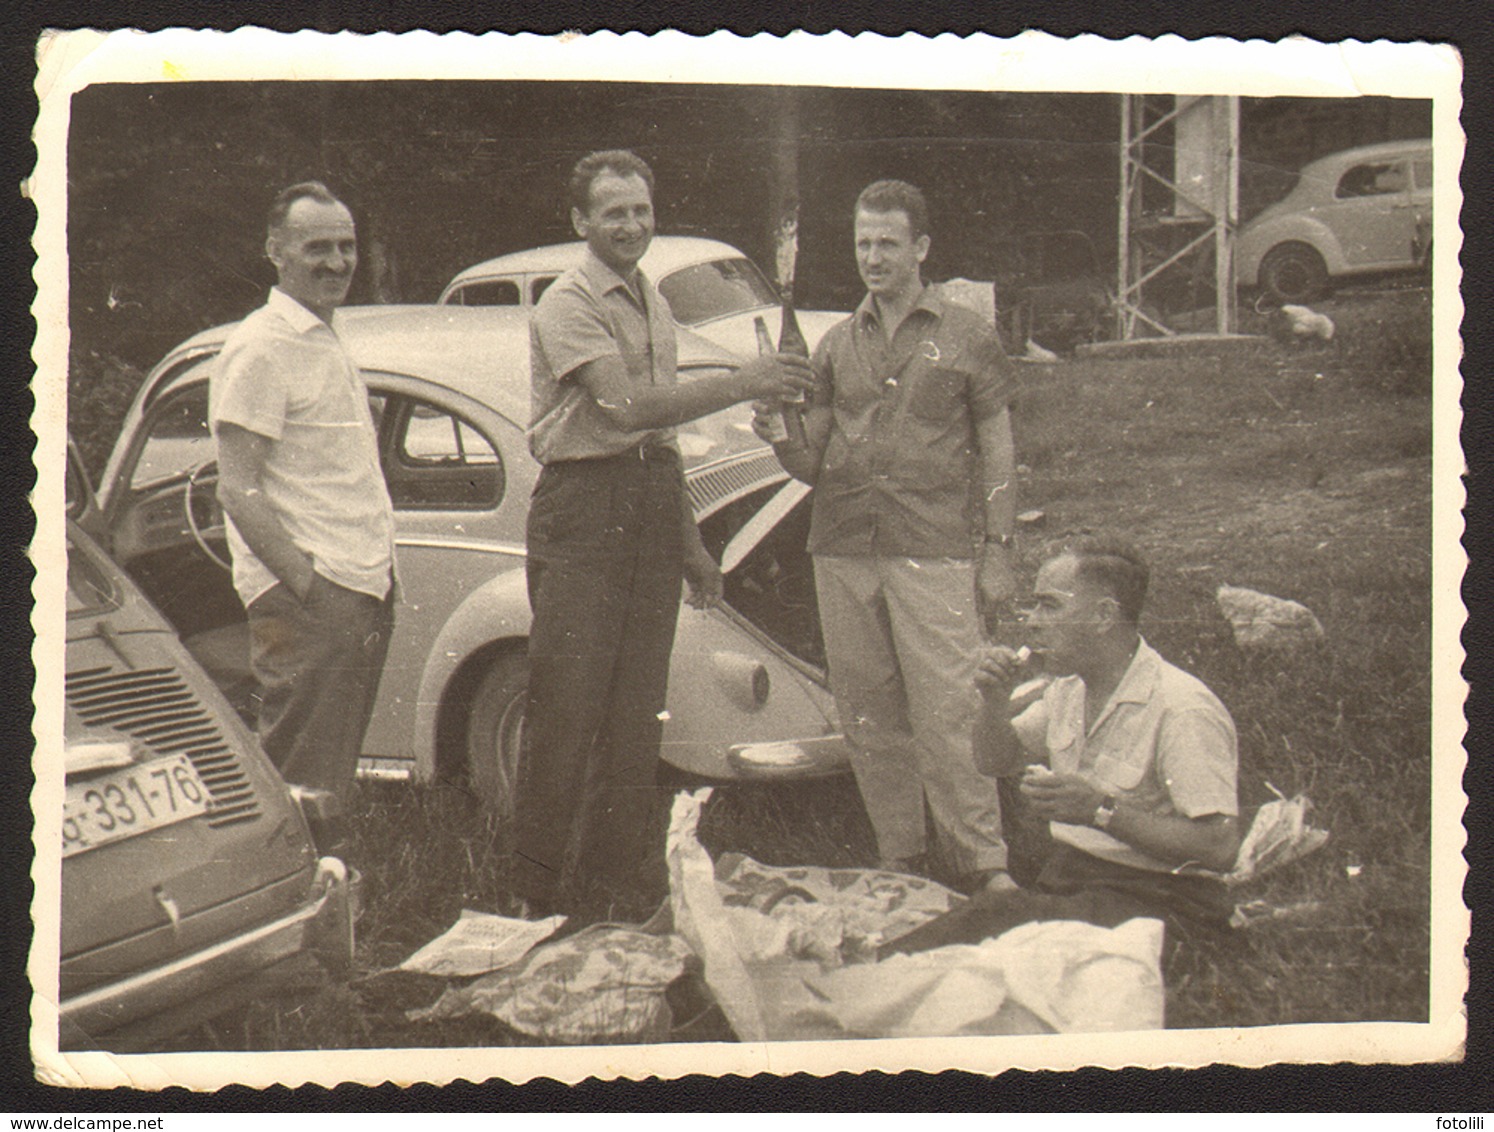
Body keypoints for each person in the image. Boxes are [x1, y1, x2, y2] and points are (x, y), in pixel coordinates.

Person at [513, 150, 814, 915]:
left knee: (636, 714)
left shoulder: (651, 298)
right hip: (582, 510)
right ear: (580, 222)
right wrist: (746, 382)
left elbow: (663, 443)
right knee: (567, 710)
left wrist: (691, 547)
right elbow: (623, 409)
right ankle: (534, 894)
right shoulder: (567, 302)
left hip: (647, 505)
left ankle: (624, 881)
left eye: (642, 210)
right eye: (614, 212)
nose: (632, 225)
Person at [755, 179, 1018, 892]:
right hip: (841, 545)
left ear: (922, 248)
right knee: (870, 715)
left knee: (950, 708)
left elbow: (996, 447)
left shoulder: (968, 336)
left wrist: (999, 549)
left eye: (888, 244)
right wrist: (778, 435)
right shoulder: (837, 344)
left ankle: (982, 860)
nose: (873, 257)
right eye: (863, 243)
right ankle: (900, 855)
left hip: (931, 546)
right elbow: (812, 461)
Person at [884, 538, 1243, 956]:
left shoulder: (1181, 707)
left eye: (1049, 606)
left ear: (1104, 616)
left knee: (990, 929)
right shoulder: (1069, 689)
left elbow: (1220, 847)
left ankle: (861, 976)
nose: (1032, 622)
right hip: (1077, 882)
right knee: (991, 930)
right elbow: (994, 761)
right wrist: (994, 704)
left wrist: (1100, 811)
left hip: (1162, 899)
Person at [209, 181, 396, 833]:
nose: (337, 262)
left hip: (357, 584)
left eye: (346, 246)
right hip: (315, 596)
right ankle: (290, 920)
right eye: (318, 247)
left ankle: (332, 913)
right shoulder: (263, 346)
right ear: (276, 251)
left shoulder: (322, 336)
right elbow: (237, 487)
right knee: (300, 780)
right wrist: (308, 585)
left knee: (329, 778)